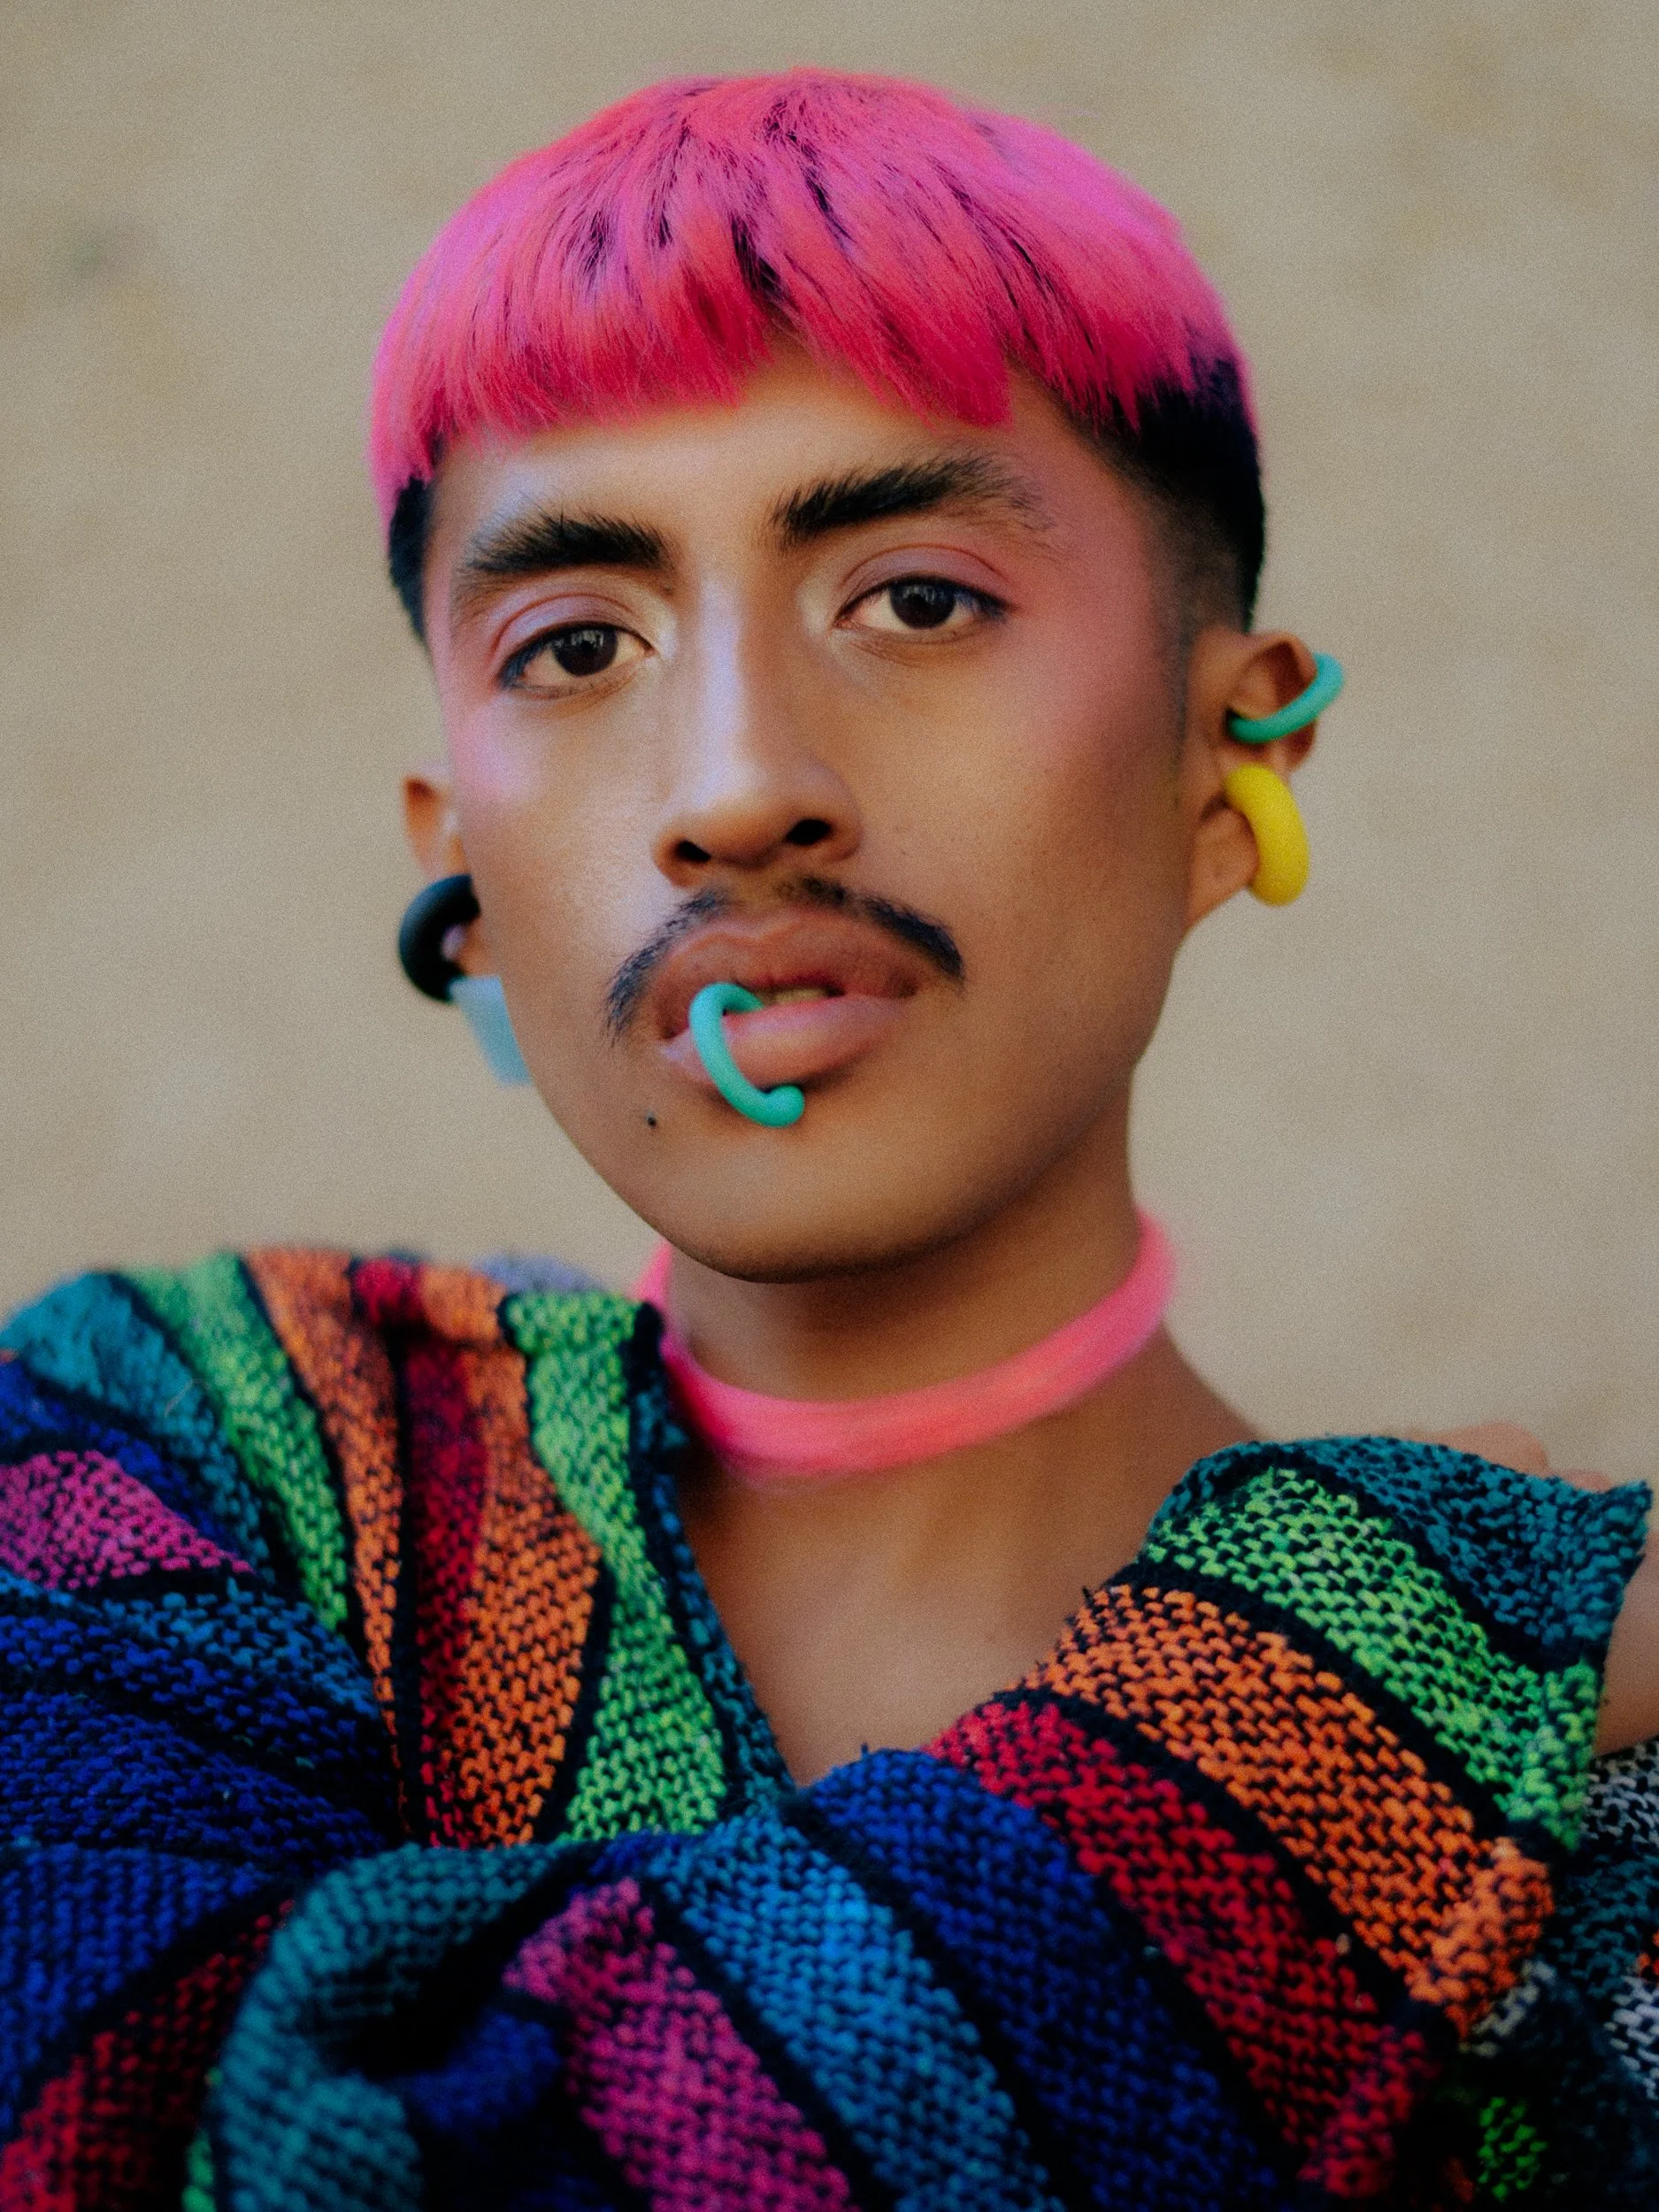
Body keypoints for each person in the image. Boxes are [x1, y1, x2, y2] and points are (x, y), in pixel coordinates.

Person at [3, 69, 1655, 2211]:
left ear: (1221, 750)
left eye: (917, 599)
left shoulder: (1605, 1863)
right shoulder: (154, 1451)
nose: (738, 782)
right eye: (577, 642)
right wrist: (1404, 1651)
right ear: (465, 873)